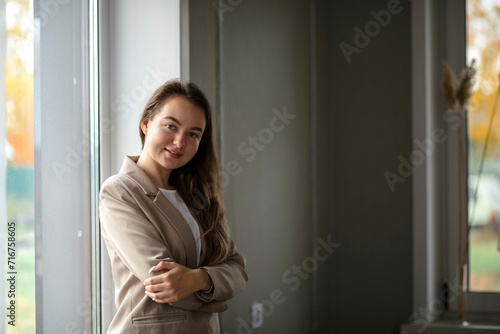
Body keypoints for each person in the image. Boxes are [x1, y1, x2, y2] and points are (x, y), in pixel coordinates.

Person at [99, 79, 248, 333]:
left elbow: (237, 269)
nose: (180, 142)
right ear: (146, 123)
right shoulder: (120, 192)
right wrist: (216, 288)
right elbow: (163, 282)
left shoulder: (196, 196)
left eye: (193, 134)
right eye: (171, 126)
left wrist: (199, 279)